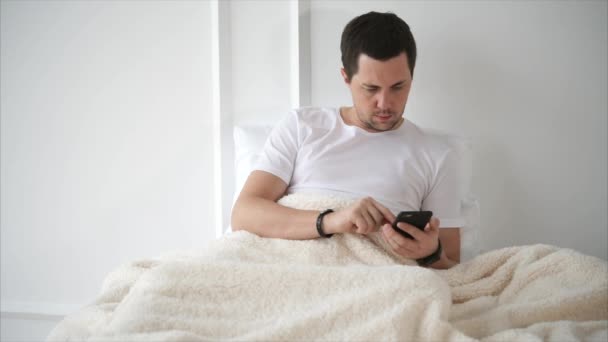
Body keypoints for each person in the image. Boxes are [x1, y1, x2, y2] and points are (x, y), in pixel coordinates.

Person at [231, 11, 464, 269]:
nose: (385, 103)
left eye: (398, 87)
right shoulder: (303, 126)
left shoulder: (437, 154)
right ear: (346, 77)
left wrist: (430, 252)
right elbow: (244, 213)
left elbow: (452, 264)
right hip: (291, 263)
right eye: (371, 88)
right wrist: (332, 221)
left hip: (377, 274)